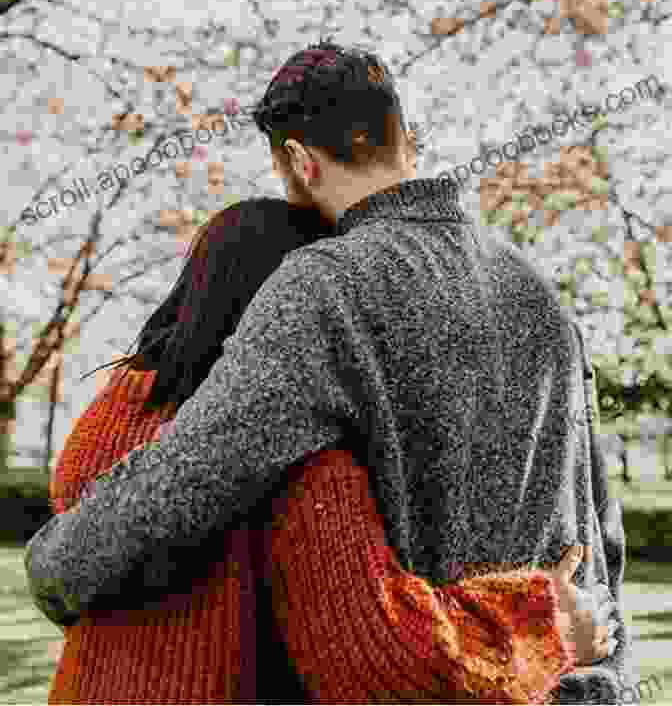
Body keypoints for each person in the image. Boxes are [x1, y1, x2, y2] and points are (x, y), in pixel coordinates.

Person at [26, 41, 632, 703]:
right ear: (408, 139)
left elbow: (189, 474)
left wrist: (57, 568)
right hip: (579, 682)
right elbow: (602, 533)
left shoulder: (328, 285)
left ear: (298, 162)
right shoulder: (539, 290)